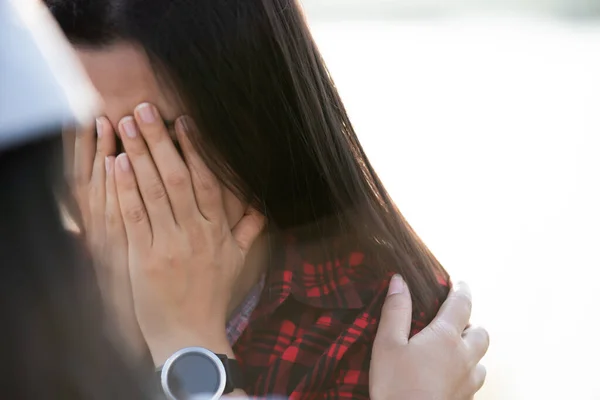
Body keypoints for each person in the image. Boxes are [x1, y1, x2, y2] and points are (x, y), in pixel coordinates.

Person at [45, 0, 489, 398]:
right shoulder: (29, 287)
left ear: (255, 129)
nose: (114, 186)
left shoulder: (384, 330)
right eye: (82, 141)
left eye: (151, 148)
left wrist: (186, 343)